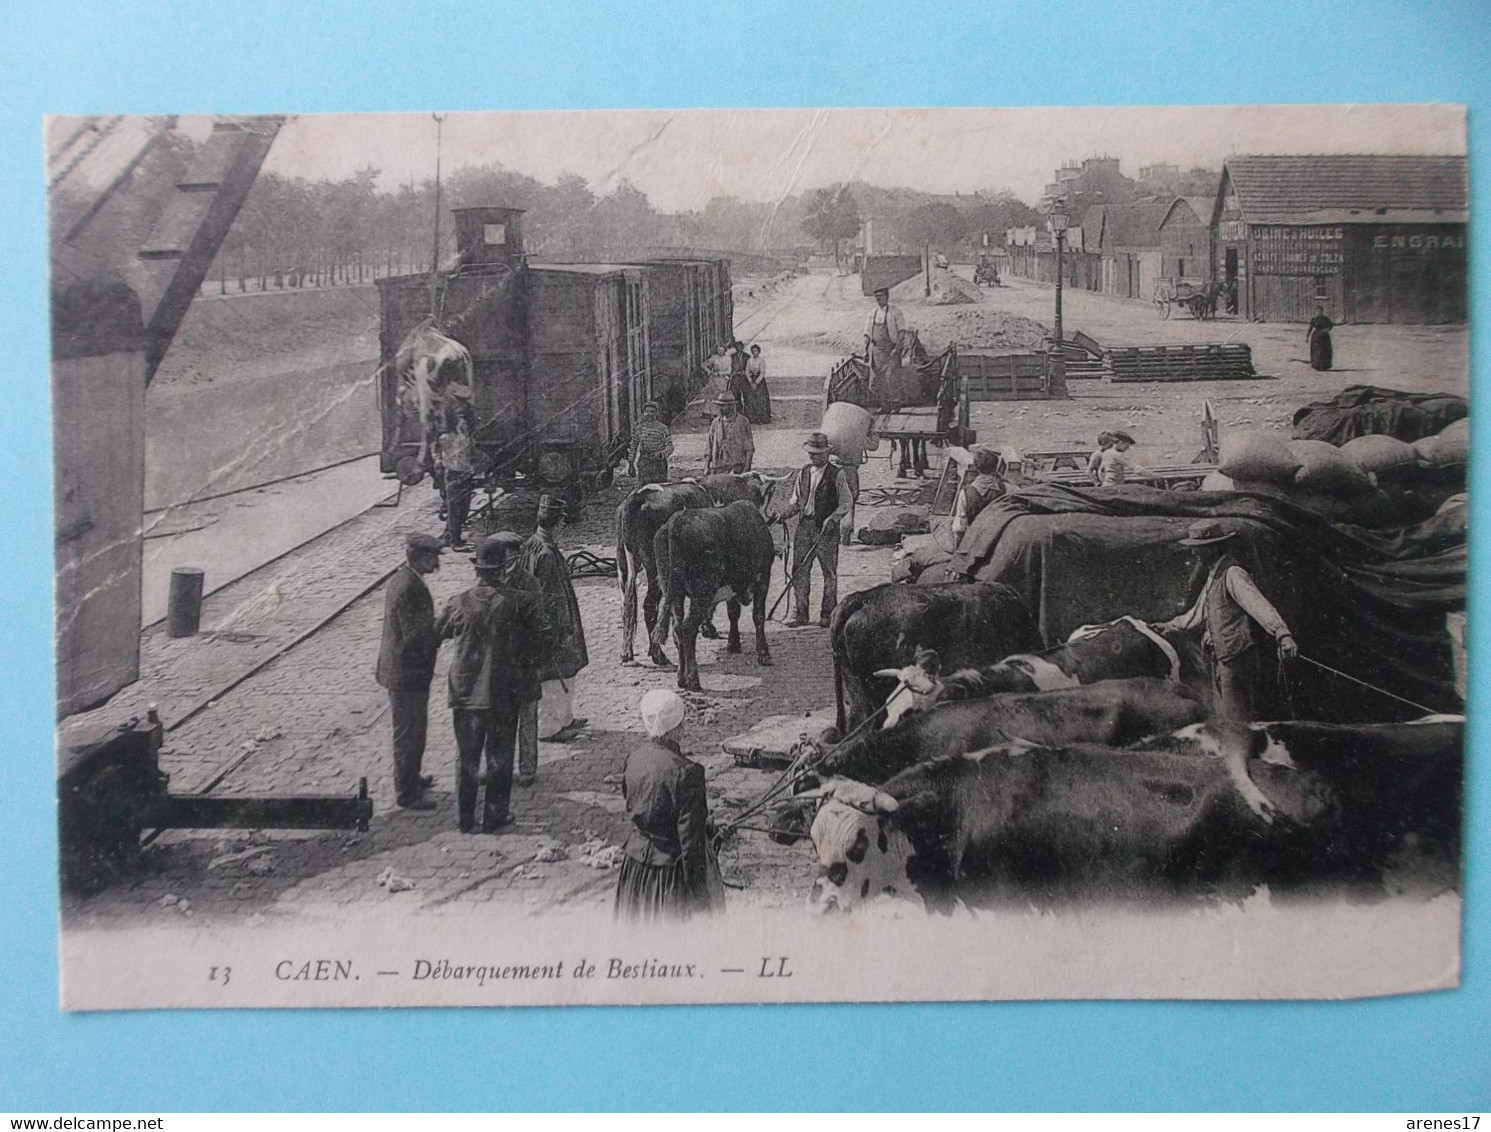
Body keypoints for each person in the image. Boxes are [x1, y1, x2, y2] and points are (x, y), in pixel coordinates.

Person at [435, 532, 552, 833]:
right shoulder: (520, 603)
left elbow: (437, 634)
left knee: (467, 758)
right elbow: (543, 638)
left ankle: (464, 820)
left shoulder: (458, 602)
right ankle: (494, 817)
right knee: (500, 757)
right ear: (503, 569)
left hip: (465, 695)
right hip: (503, 693)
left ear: (477, 570)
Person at [1156, 520, 1298, 723]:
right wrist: (1171, 625)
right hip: (1220, 657)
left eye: (1199, 549)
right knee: (1225, 716)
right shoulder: (1214, 575)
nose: (1195, 554)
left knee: (1237, 719)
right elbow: (1199, 613)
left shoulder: (1233, 573)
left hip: (1236, 658)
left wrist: (1282, 633)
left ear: (1213, 548)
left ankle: (1242, 751)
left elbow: (1258, 605)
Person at [614, 689, 724, 921]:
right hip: (669, 876)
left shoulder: (634, 759)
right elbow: (690, 843)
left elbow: (633, 803)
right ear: (677, 728)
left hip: (634, 868)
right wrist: (699, 895)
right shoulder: (688, 772)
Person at [517, 494, 590, 784]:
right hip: (554, 624)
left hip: (549, 620)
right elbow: (550, 598)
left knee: (565, 671)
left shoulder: (533, 543)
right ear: (558, 523)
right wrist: (560, 631)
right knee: (553, 673)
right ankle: (550, 727)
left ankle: (566, 718)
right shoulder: (546, 553)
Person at [374, 532, 443, 811]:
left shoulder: (406, 579)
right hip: (406, 674)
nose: (437, 563)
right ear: (421, 557)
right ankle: (406, 792)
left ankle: (411, 778)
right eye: (434, 557)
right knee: (409, 732)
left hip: (406, 671)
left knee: (415, 729)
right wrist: (445, 626)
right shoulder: (408, 587)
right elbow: (416, 635)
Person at [778, 431, 854, 628]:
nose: (813, 456)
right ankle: (800, 613)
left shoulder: (837, 474)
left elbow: (846, 502)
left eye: (817, 453)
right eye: (811, 453)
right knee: (799, 570)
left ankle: (828, 614)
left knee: (829, 572)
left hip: (826, 529)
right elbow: (795, 501)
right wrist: (785, 513)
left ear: (826, 453)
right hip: (805, 527)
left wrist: (833, 518)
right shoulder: (803, 472)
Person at [863, 286, 909, 410]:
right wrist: (866, 349)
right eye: (876, 297)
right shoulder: (872, 314)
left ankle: (895, 405)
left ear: (886, 297)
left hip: (892, 350)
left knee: (892, 378)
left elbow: (902, 332)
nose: (878, 299)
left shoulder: (895, 312)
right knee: (879, 379)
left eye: (880, 296)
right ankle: (884, 405)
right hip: (877, 351)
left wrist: (897, 348)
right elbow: (867, 334)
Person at [436, 414, 477, 551]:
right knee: (455, 509)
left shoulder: (467, 439)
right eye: (461, 424)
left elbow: (471, 455)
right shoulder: (446, 438)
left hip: (465, 474)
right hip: (453, 474)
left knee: (464, 508)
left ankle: (450, 536)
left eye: (465, 424)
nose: (464, 426)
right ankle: (455, 541)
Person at [952, 446, 1007, 537]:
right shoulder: (1005, 488)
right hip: (999, 536)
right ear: (995, 467)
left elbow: (959, 528)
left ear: (977, 468)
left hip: (975, 539)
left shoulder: (966, 492)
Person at [705, 392, 754, 474]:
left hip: (737, 468)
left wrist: (746, 469)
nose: (720, 408)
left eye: (723, 406)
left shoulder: (743, 422)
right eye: (719, 405)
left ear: (731, 406)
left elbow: (749, 449)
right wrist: (706, 467)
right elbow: (709, 447)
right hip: (718, 469)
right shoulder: (715, 423)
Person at [628, 400, 674, 484]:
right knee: (644, 490)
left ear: (657, 413)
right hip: (644, 462)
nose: (649, 414)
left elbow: (670, 447)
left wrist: (660, 454)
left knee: (659, 489)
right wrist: (631, 464)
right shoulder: (640, 428)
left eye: (652, 412)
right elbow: (633, 446)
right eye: (647, 412)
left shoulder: (663, 428)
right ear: (643, 413)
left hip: (659, 464)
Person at [742, 344, 772, 424]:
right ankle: (751, 418)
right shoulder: (749, 360)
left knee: (760, 399)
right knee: (750, 399)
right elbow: (747, 371)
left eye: (755, 351)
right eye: (753, 351)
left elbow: (762, 372)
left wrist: (757, 382)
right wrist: (750, 381)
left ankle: (762, 418)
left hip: (760, 381)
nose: (754, 352)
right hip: (751, 380)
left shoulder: (761, 360)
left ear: (759, 352)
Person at [1308, 302, 1334, 371]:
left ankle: (1325, 365)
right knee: (1317, 351)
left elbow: (1331, 326)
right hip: (1316, 337)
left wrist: (1327, 330)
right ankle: (1316, 365)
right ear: (1316, 312)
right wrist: (1307, 337)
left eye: (1321, 311)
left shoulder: (1326, 319)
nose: (1319, 312)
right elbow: (1310, 328)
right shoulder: (1314, 319)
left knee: (1325, 351)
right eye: (1318, 311)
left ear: (1322, 311)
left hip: (1325, 337)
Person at [726, 339, 750, 411]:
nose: (739, 348)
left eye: (740, 346)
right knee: (735, 394)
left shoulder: (747, 356)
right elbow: (728, 366)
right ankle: (738, 410)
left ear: (743, 347)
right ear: (736, 348)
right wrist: (732, 372)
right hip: (735, 378)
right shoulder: (731, 356)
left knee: (746, 395)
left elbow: (749, 366)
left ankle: (747, 411)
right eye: (737, 346)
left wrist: (745, 371)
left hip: (744, 378)